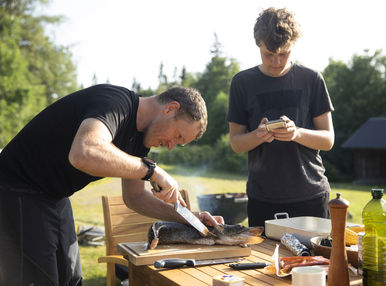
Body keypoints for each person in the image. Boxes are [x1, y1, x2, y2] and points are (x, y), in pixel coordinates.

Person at [0, 83, 224, 286]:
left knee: (72, 279)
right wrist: (152, 170)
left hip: (55, 196)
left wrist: (190, 218)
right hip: (16, 189)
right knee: (38, 279)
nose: (171, 146)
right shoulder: (115, 102)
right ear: (170, 109)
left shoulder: (140, 143)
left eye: (179, 143)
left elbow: (135, 197)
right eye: (177, 135)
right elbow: (84, 151)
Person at [227, 7, 335, 228]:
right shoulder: (241, 82)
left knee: (315, 262)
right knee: (266, 263)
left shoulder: (312, 79)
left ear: (293, 44)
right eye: (268, 54)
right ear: (258, 44)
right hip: (262, 198)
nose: (276, 62)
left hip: (311, 195)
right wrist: (257, 135)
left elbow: (328, 140)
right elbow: (236, 143)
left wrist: (296, 133)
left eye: (284, 54)